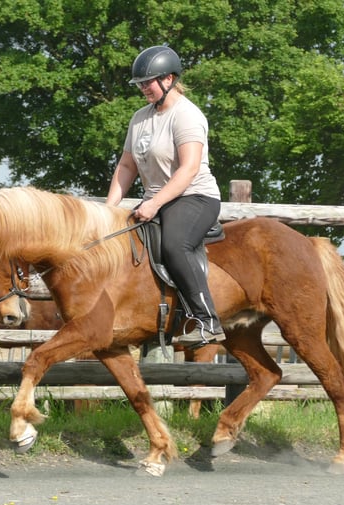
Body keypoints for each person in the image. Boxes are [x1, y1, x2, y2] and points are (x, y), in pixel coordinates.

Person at [106, 45, 226, 349]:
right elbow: (126, 165)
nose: (144, 88)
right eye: (141, 84)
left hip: (193, 196)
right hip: (155, 200)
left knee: (174, 245)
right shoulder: (140, 119)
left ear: (169, 79)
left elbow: (188, 169)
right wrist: (107, 212)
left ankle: (206, 320)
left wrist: (155, 203)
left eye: (148, 82)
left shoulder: (187, 115)